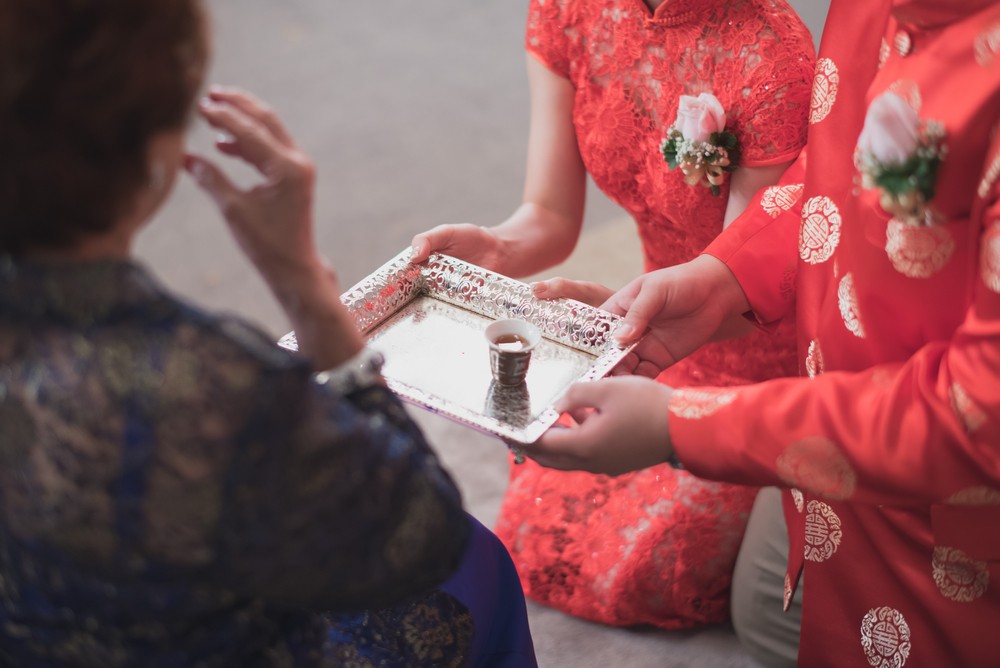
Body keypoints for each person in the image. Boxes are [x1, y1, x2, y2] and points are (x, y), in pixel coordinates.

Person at [0, 1, 536, 666]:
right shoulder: (206, 383)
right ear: (155, 153)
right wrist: (305, 285)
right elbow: (422, 536)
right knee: (477, 568)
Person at [530, 0, 1000, 665]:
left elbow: (978, 419)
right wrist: (722, 278)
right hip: (826, 445)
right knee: (762, 611)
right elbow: (833, 173)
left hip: (952, 527)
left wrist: (682, 427)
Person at [410, 0, 815, 630]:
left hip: (748, 345)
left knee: (645, 564)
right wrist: (496, 248)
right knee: (540, 520)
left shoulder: (773, 58)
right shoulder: (567, 11)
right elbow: (549, 215)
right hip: (638, 328)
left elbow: (743, 285)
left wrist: (627, 314)